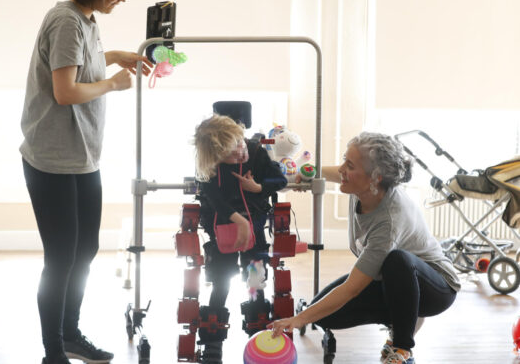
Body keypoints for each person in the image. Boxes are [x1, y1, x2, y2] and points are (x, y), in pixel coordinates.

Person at [19, 0, 153, 363]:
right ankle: (53, 351)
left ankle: (70, 334)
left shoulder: (87, 20)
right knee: (61, 258)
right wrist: (112, 84)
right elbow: (65, 91)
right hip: (52, 160)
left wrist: (112, 56)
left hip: (81, 158)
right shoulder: (66, 22)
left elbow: (77, 63)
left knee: (85, 250)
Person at [269, 132, 461, 364]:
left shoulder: (389, 217)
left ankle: (401, 348)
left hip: (436, 287)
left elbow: (351, 289)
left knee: (397, 260)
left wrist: (298, 319)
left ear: (375, 178)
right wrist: (303, 173)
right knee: (326, 315)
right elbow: (331, 172)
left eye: (349, 165)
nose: (341, 170)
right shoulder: (362, 187)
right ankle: (404, 315)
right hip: (392, 280)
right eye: (344, 161)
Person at [193, 115, 287, 364]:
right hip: (222, 227)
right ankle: (213, 343)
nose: (239, 156)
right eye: (231, 157)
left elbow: (281, 179)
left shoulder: (255, 151)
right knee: (221, 280)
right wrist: (239, 220)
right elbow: (214, 198)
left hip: (255, 228)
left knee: (255, 281)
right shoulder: (208, 164)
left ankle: (258, 335)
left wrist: (257, 188)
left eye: (240, 148)